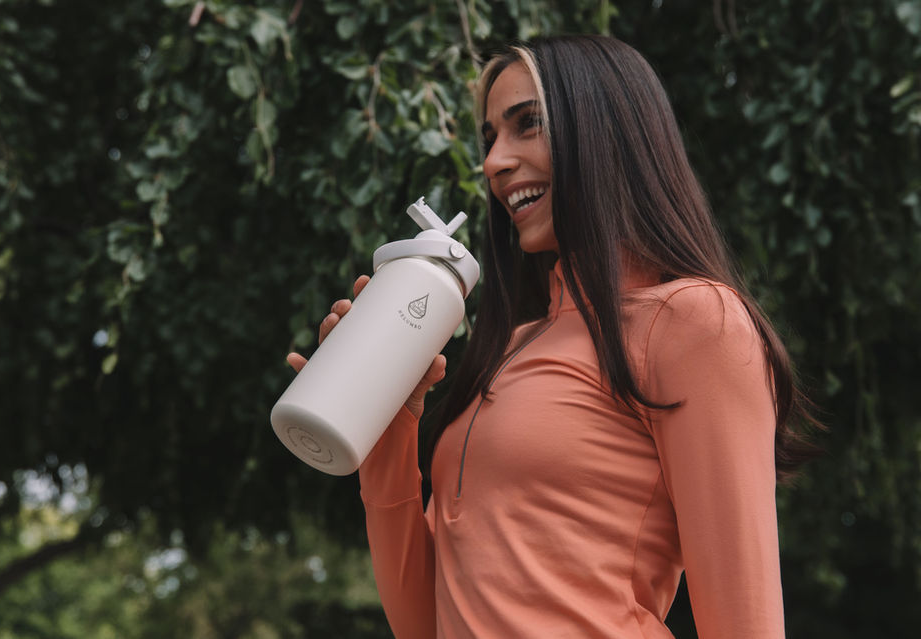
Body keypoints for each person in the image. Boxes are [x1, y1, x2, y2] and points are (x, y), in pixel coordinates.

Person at [288, 34, 817, 638]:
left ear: (608, 131)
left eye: (527, 124)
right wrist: (387, 425)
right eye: (489, 139)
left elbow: (745, 619)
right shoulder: (509, 349)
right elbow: (424, 623)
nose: (493, 162)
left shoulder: (696, 322)